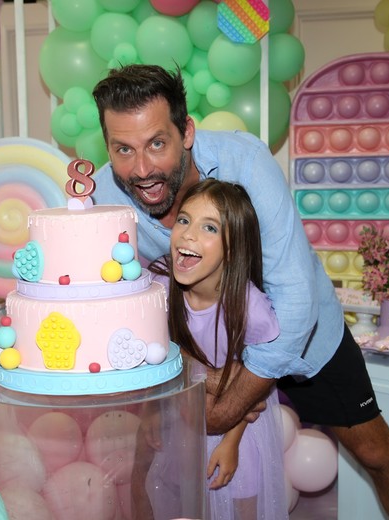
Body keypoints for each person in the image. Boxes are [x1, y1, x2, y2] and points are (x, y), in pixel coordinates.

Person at [91, 64, 389, 520]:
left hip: (304, 336)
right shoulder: (101, 198)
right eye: (123, 149)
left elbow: (294, 299)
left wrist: (227, 410)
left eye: (157, 143)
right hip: (199, 349)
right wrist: (172, 386)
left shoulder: (247, 163)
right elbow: (123, 299)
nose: (142, 169)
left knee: (376, 451)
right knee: (145, 465)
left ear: (187, 132)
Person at [149, 178, 288, 519]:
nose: (189, 234)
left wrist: (231, 442)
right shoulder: (159, 287)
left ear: (234, 246)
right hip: (182, 424)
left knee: (239, 502)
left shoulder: (250, 308)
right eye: (184, 220)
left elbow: (254, 390)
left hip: (242, 431)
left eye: (209, 227)